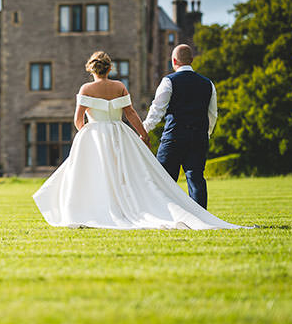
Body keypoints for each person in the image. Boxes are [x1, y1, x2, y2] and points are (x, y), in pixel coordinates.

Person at [32, 51, 246, 230]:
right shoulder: (119, 87)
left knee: (95, 174)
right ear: (109, 68)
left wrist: (87, 133)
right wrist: (143, 134)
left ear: (91, 69)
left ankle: (99, 208)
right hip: (119, 133)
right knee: (123, 173)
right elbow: (131, 113)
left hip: (94, 134)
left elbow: (78, 119)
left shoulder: (86, 89)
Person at [143, 44, 215, 209]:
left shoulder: (169, 81)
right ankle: (201, 218)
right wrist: (206, 133)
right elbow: (212, 114)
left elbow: (157, 109)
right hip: (199, 137)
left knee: (163, 179)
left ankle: (162, 214)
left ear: (174, 61)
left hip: (173, 138)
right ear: (192, 60)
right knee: (196, 178)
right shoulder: (208, 83)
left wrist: (144, 129)